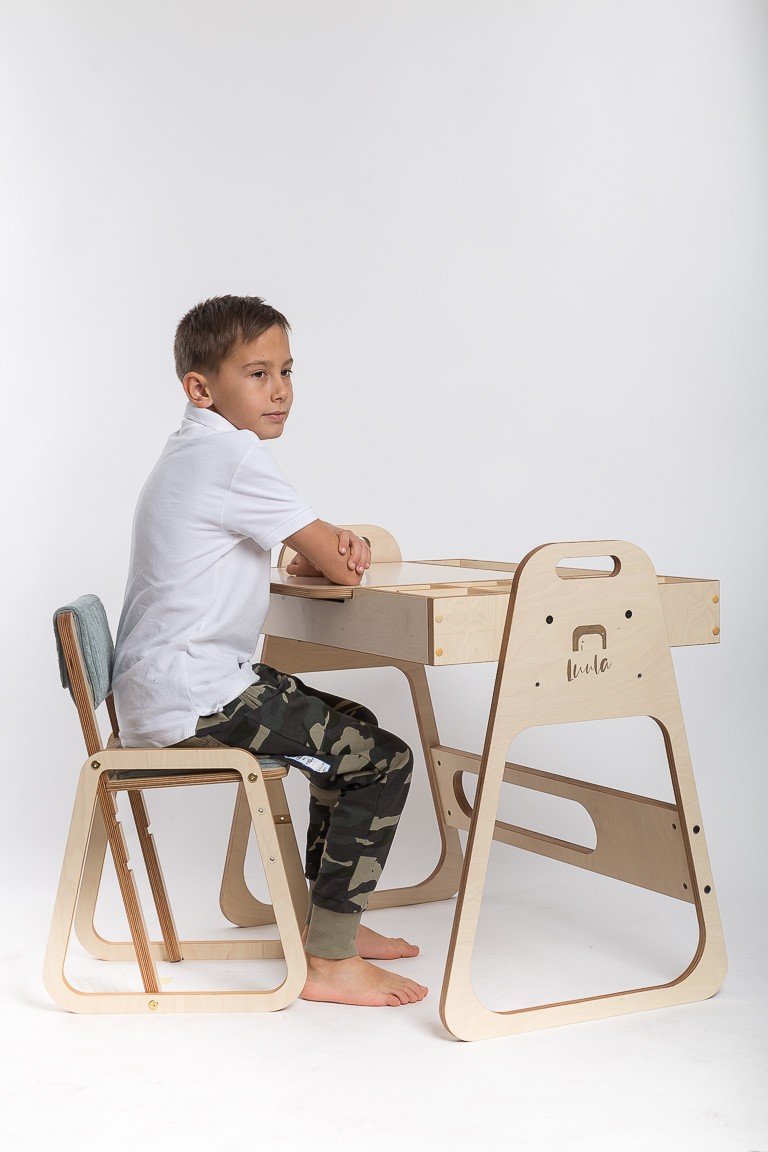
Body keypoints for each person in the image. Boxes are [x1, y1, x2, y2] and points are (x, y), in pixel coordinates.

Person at [112, 294, 428, 1008]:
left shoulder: (198, 450)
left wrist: (318, 550)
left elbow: (300, 554)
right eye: (256, 373)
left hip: (175, 689)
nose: (280, 389)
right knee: (384, 761)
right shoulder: (233, 457)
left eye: (287, 370)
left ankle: (331, 922)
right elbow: (339, 562)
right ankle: (330, 960)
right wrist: (344, 548)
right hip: (199, 701)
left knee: (356, 728)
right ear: (201, 388)